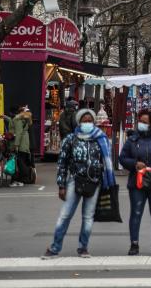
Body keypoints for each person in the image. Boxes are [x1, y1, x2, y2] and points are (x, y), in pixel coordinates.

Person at [43, 108, 115, 259]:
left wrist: (106, 182)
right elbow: (62, 163)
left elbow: (107, 162)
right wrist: (61, 185)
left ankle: (83, 247)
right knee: (65, 215)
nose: (87, 123)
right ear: (79, 121)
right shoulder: (70, 139)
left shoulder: (101, 138)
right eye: (84, 120)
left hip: (94, 182)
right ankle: (55, 247)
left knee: (88, 217)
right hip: (74, 181)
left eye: (90, 121)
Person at [119, 109, 151, 256]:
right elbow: (122, 158)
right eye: (140, 121)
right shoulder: (132, 140)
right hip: (137, 182)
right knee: (136, 212)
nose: (141, 124)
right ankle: (134, 244)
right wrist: (135, 164)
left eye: (145, 122)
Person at [9, 106, 34, 187]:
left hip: (21, 144)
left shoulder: (18, 119)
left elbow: (18, 133)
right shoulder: (26, 119)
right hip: (25, 143)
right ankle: (23, 179)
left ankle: (21, 179)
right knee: (22, 161)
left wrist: (16, 145)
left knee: (20, 162)